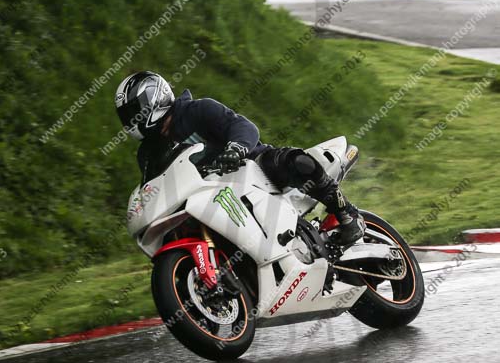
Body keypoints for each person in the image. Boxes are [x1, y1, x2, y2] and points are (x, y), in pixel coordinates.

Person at [114, 70, 365, 245]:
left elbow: (244, 127)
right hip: (206, 197)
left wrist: (235, 149)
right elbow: (154, 186)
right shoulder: (148, 153)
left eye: (135, 111)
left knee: (297, 162)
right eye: (127, 116)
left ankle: (347, 213)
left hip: (250, 166)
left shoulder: (197, 110)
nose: (132, 120)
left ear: (155, 98)